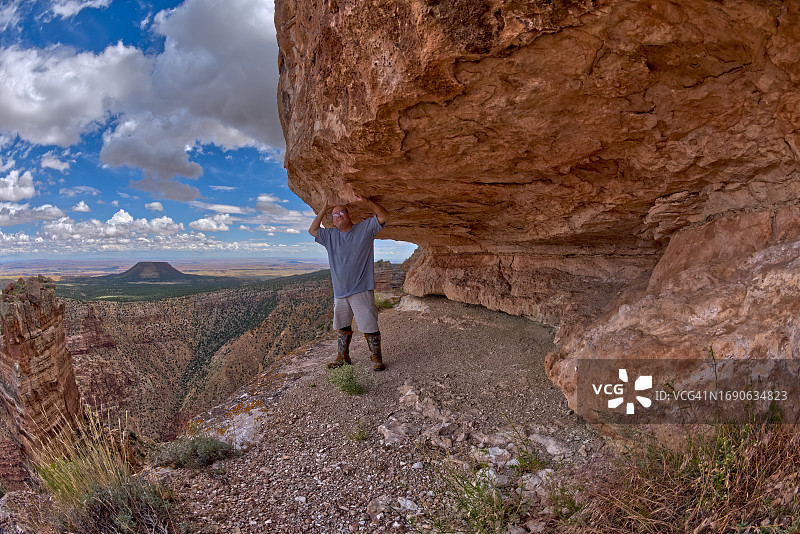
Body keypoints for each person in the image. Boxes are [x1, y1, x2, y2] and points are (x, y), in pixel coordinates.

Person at [309, 194, 390, 371]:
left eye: (341, 213)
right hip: (340, 292)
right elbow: (312, 230)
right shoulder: (330, 236)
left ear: (348, 214)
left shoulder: (364, 229)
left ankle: (376, 358)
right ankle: (343, 357)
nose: (338, 216)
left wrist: (367, 202)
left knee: (369, 324)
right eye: (335, 215)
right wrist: (324, 208)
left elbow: (384, 216)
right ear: (332, 221)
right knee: (342, 326)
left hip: (361, 288)